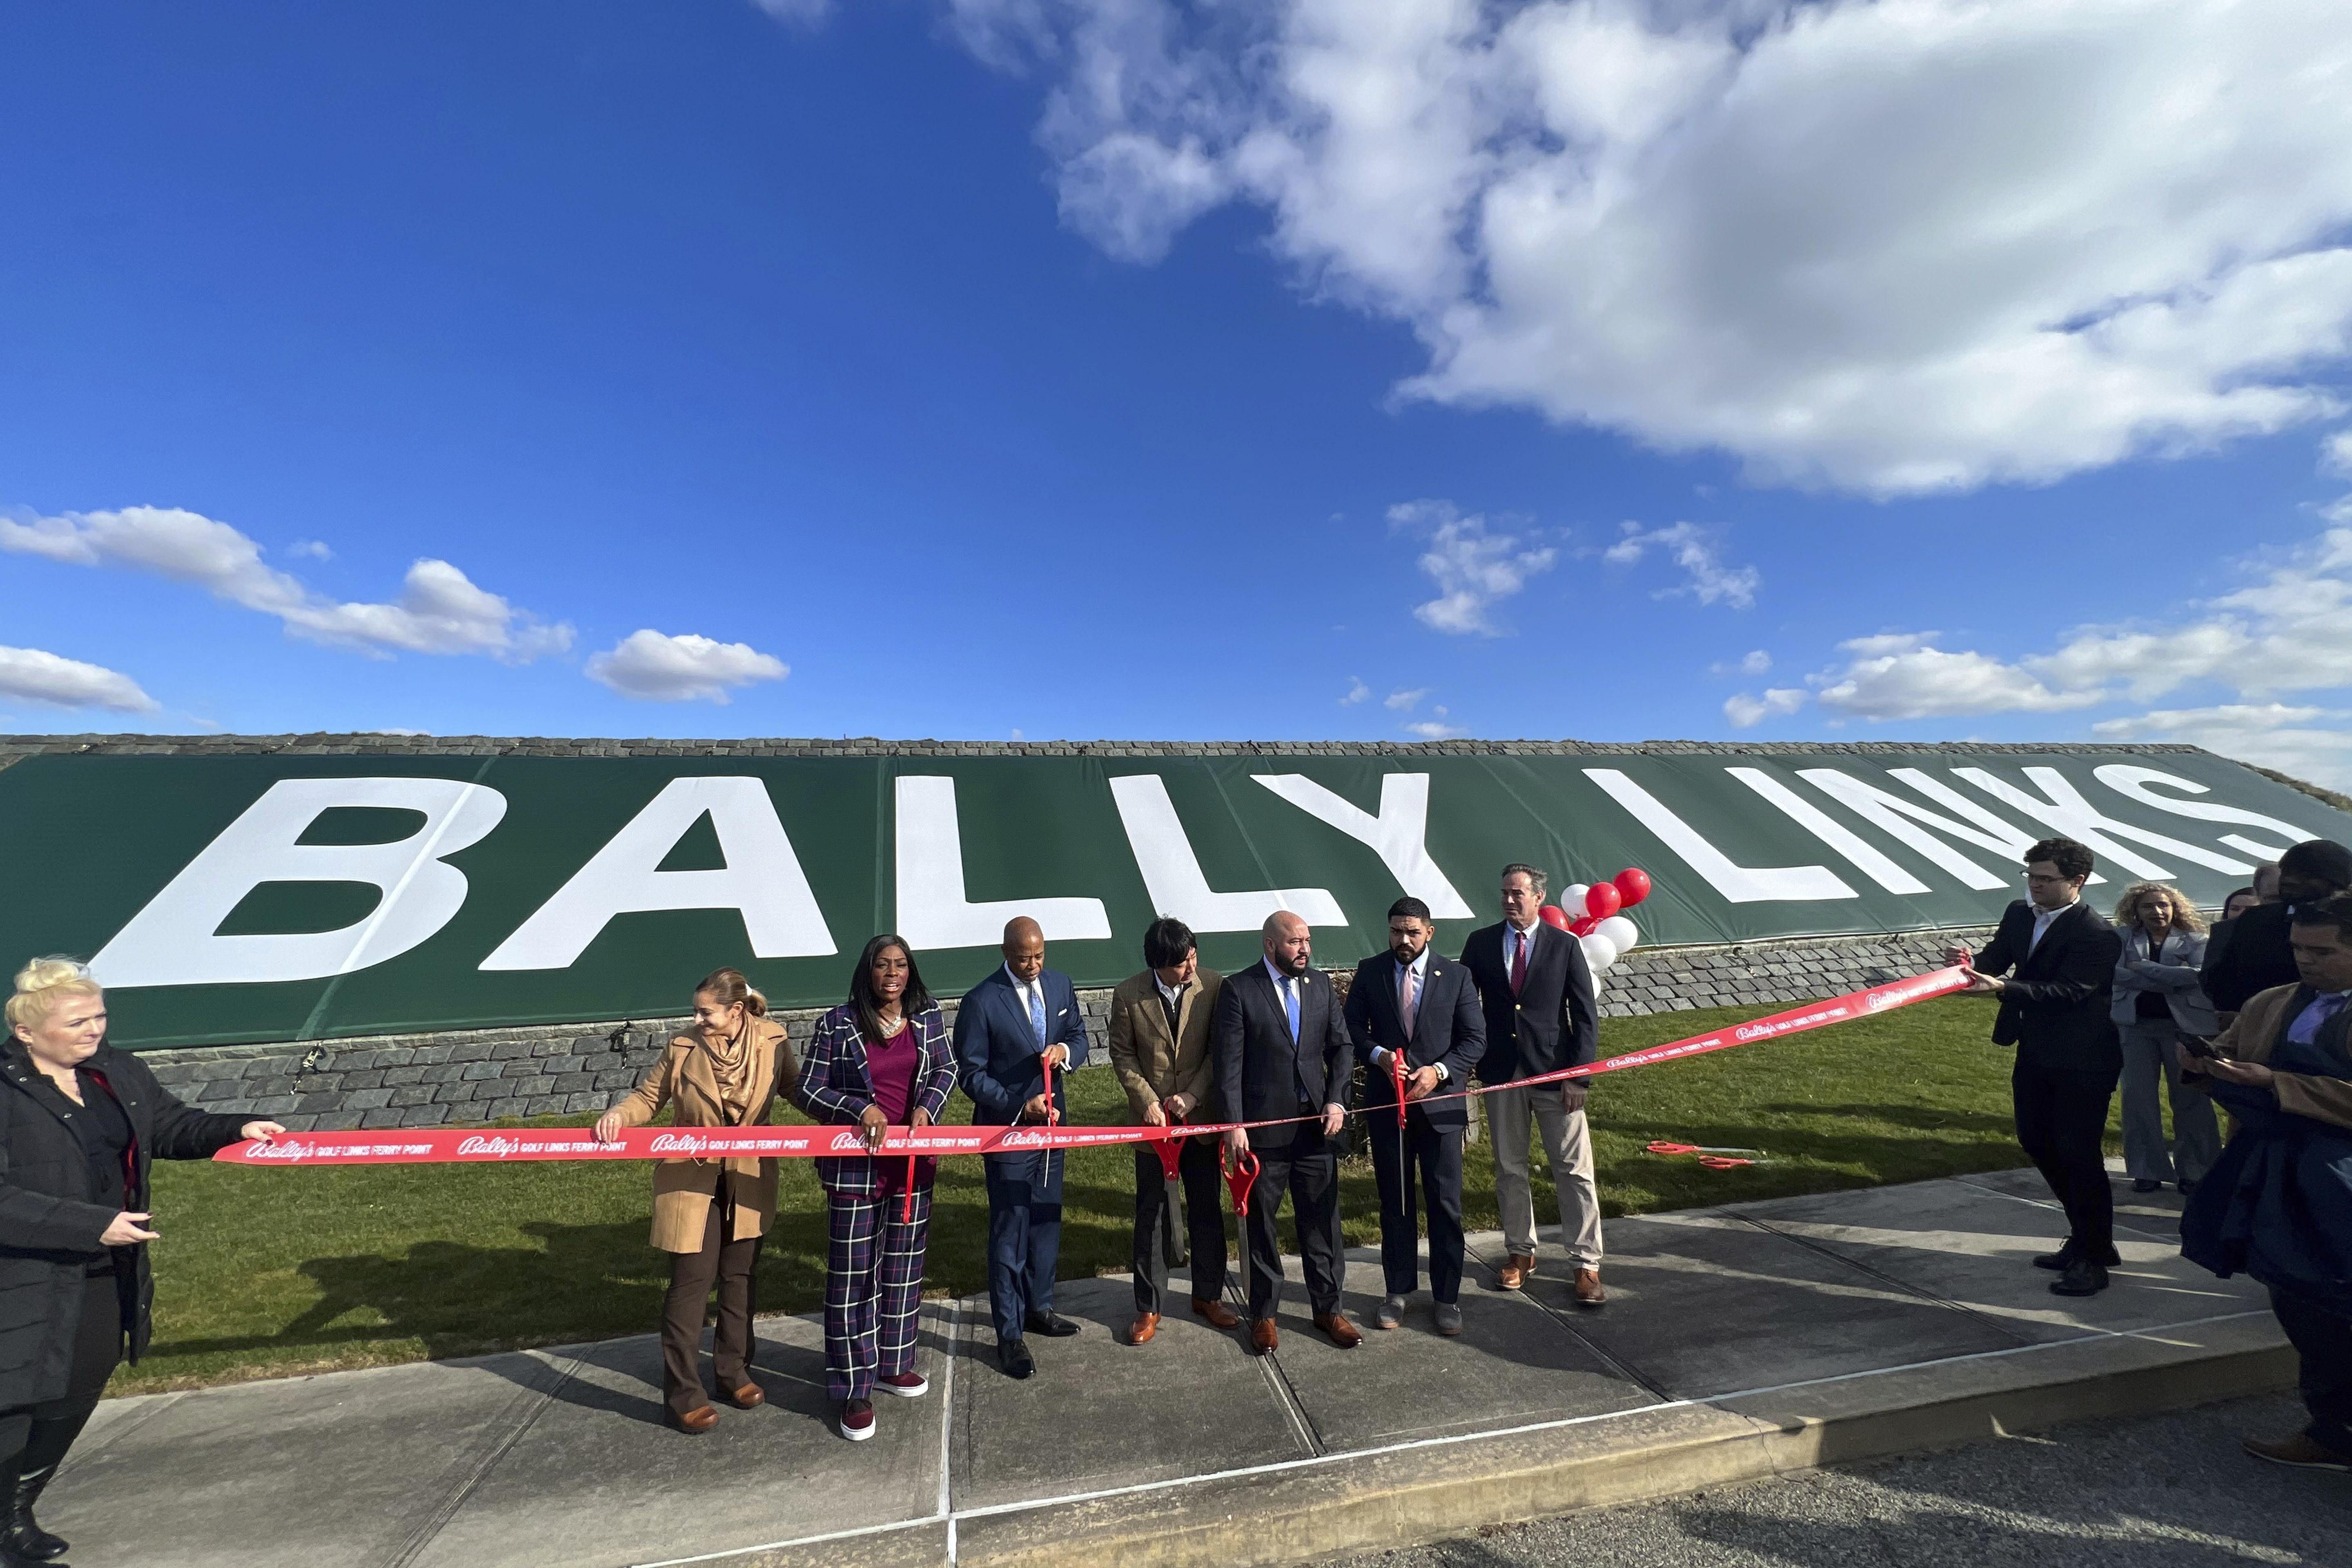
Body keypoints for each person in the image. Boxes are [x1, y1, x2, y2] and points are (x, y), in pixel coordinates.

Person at [1, 958, 283, 1564]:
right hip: (21, 1273)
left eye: (100, 1016)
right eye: (77, 1021)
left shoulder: (116, 1072)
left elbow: (172, 1126)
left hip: (107, 1266)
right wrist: (89, 1224)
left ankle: (13, 1516)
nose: (94, 1030)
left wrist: (238, 1129)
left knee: (76, 1390)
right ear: (26, 1031)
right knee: (15, 1401)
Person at [2180, 892, 2352, 1472]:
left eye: (2322, 951)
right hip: (2276, 1173)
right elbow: (2233, 1053)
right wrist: (2206, 1065)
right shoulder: (2273, 1002)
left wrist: (2278, 1083)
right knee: (2297, 1295)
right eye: (2299, 948)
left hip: (2343, 1182)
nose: (2306, 960)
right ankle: (2331, 1430)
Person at [594, 967, 796, 1433]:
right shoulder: (683, 1046)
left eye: (706, 1013)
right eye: (697, 1012)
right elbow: (649, 1098)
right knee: (691, 1286)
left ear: (736, 1012)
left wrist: (844, 1117)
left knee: (740, 1278)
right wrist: (619, 1116)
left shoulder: (773, 1040)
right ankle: (683, 1395)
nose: (698, 1019)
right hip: (691, 1176)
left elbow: (794, 1089)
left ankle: (734, 1372)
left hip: (749, 1174)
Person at [797, 935, 959, 1442]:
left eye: (902, 965)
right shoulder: (838, 1023)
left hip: (910, 1168)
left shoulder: (927, 1015)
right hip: (855, 1172)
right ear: (868, 972)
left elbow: (947, 1069)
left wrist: (927, 1107)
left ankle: (893, 1362)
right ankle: (854, 1387)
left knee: (904, 1270)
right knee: (852, 1280)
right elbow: (808, 1088)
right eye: (884, 966)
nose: (893, 974)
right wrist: (858, 1109)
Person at [1951, 837, 2125, 1297]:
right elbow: (1995, 957)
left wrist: (2004, 988)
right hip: (2035, 1049)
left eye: (2046, 879)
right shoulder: (2019, 913)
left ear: (2077, 882)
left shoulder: (2098, 934)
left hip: (2085, 1056)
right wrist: (1968, 967)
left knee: (2078, 1152)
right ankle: (2090, 1238)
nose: (2035, 887)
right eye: (2031, 876)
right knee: (2036, 1140)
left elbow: (2070, 991)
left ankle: (2092, 1257)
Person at [1214, 910, 1360, 1352]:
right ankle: (1264, 1314)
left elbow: (1342, 1047)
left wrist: (1337, 1098)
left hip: (1316, 1128)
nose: (1304, 949)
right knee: (1262, 1226)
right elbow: (1229, 1066)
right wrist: (1234, 1124)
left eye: (1308, 941)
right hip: (1264, 1134)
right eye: (1295, 942)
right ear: (1270, 945)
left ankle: (1328, 1309)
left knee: (1322, 1222)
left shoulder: (1319, 988)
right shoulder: (1239, 990)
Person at [1460, 864, 1604, 1305]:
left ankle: (1585, 1264)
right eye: (1504, 893)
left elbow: (1584, 1016)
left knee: (1574, 1171)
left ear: (1538, 897)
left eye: (1517, 893)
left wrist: (1578, 1076)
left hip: (1556, 1075)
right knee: (1510, 1168)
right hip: (1503, 1074)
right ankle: (1520, 1253)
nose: (1508, 900)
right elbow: (1466, 1007)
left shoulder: (1564, 946)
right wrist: (1468, 1061)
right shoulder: (1481, 944)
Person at [954, 916, 1089, 1379]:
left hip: (1053, 1128)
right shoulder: (980, 1002)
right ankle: (1009, 1335)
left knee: (1046, 1220)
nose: (1032, 966)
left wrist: (1065, 1053)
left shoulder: (1060, 985)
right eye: (1023, 958)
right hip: (1010, 1131)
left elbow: (1079, 1038)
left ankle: (1041, 1307)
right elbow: (971, 1074)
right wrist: (1018, 1106)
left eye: (1039, 956)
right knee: (1010, 1230)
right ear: (1005, 952)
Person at [1345, 898, 1485, 1335]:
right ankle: (1397, 1292)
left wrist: (1440, 1072)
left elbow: (1474, 1039)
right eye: (1395, 932)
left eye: (1411, 932)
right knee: (1397, 1204)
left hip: (1441, 1112)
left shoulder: (1457, 976)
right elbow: (1351, 1029)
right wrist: (1380, 1056)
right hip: (1391, 1111)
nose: (1402, 940)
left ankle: (1447, 1298)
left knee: (1446, 1205)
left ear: (1430, 932)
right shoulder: (1371, 971)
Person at [1105, 917, 1233, 1345]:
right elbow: (1122, 1055)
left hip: (1199, 1123)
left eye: (1194, 956)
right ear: (1158, 964)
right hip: (1152, 1129)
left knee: (1206, 1210)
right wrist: (1148, 1101)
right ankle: (1149, 1306)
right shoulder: (1128, 995)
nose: (1191, 967)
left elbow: (1221, 1051)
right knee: (1152, 1215)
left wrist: (1194, 1096)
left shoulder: (1214, 986)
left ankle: (1209, 1296)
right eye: (1181, 963)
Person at [2108, 883, 2222, 1195]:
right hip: (2136, 1027)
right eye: (2148, 906)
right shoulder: (2121, 939)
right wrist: (2169, 978)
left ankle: (2195, 1171)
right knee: (2137, 1099)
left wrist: (2143, 969)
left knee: (2191, 1098)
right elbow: (2114, 973)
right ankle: (2147, 1170)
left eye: (2163, 905)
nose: (2157, 912)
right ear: (2136, 911)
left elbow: (2196, 976)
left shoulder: (2198, 940)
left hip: (2184, 1028)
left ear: (2175, 908)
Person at [2201, 840, 2352, 1019]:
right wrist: (2247, 1019)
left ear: (2339, 882)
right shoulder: (2255, 919)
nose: (2290, 880)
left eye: (2305, 875)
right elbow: (2221, 976)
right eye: (2286, 871)